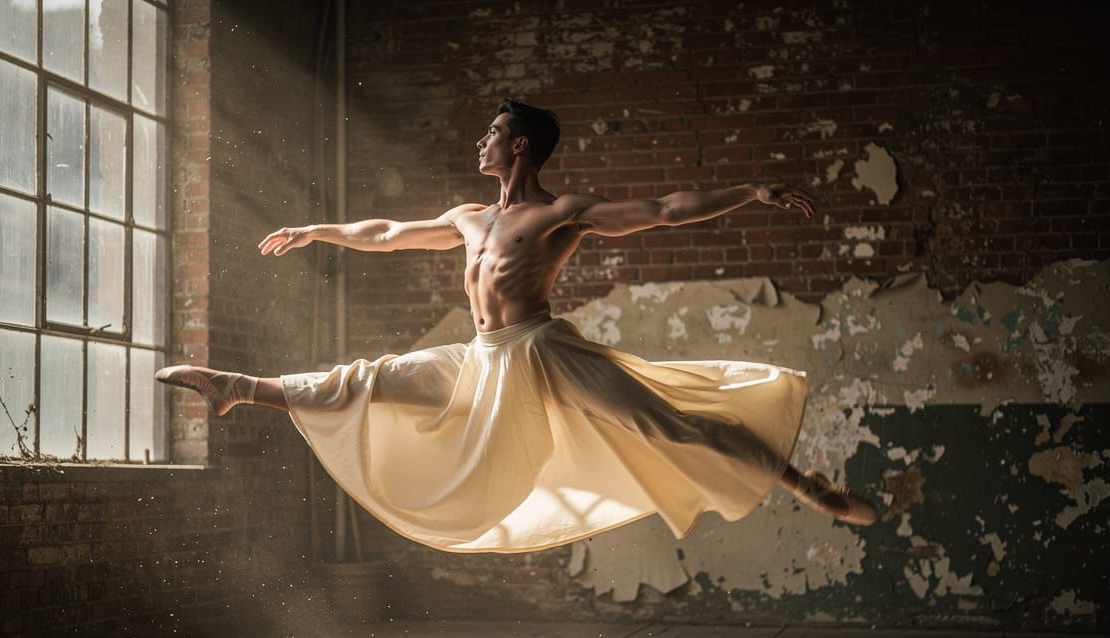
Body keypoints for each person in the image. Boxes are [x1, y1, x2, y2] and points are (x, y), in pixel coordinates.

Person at [157, 99, 875, 553]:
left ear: (521, 145)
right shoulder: (468, 218)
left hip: (544, 352)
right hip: (480, 359)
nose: (482, 141)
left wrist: (751, 191)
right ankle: (234, 386)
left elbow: (664, 210)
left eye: (494, 133)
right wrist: (318, 230)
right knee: (371, 379)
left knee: (673, 424)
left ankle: (808, 485)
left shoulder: (562, 213)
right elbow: (387, 233)